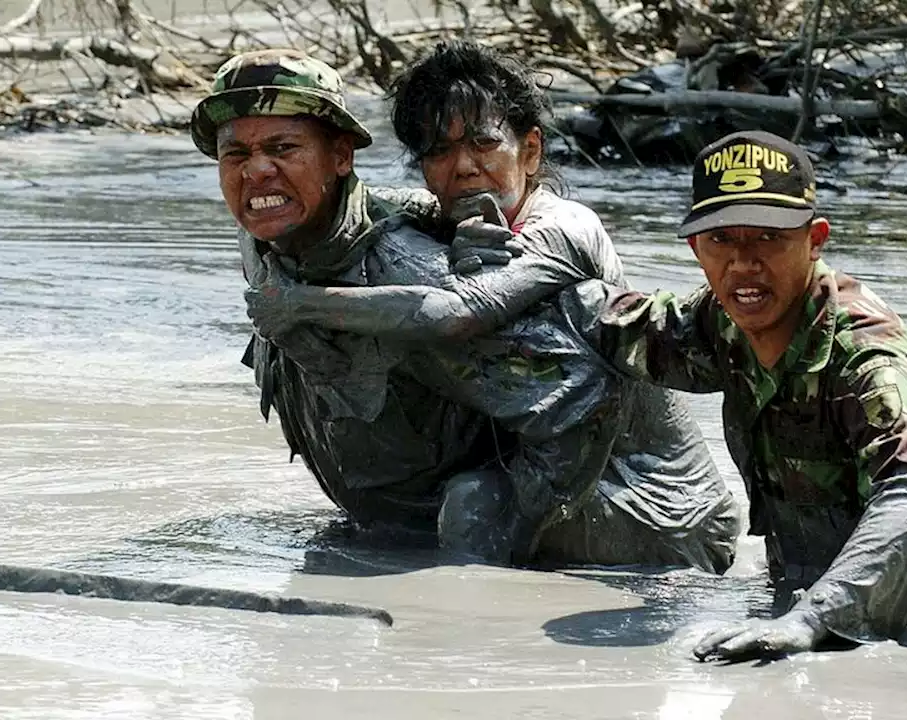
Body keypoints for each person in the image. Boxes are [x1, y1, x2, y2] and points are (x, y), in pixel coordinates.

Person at [191, 46, 740, 570]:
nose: (256, 172)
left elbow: (571, 382)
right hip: (556, 481)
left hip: (656, 503)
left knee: (475, 505)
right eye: (235, 153)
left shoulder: (532, 239)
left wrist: (501, 522)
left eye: (284, 150)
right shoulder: (273, 234)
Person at [560, 129, 907, 662]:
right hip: (812, 597)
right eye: (721, 240)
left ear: (815, 239)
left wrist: (810, 620)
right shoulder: (724, 318)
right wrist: (541, 273)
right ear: (696, 248)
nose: (743, 262)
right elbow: (638, 330)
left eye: (767, 237)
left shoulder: (865, 358)